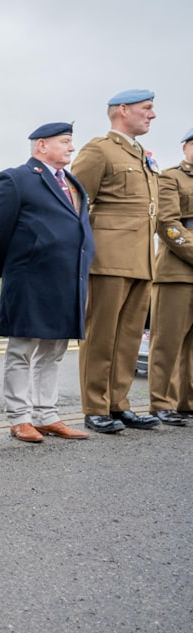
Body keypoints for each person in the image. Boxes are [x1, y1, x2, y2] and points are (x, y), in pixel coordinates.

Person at [0, 123, 93, 443]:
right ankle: (20, 417)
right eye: (65, 142)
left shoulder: (73, 183)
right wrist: (11, 268)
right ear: (42, 146)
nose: (71, 148)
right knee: (22, 350)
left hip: (67, 279)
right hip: (30, 278)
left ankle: (46, 414)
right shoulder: (16, 178)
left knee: (55, 350)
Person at [71, 89, 160, 433]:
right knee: (101, 336)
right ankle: (95, 407)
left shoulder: (143, 155)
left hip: (141, 258)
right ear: (123, 110)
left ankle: (118, 403)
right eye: (146, 108)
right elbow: (76, 202)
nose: (152, 115)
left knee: (128, 337)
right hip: (107, 257)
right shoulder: (100, 149)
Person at [147, 128, 193, 427]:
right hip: (177, 272)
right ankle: (160, 403)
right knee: (167, 342)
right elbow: (167, 224)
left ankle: (186, 402)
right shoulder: (170, 177)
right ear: (187, 147)